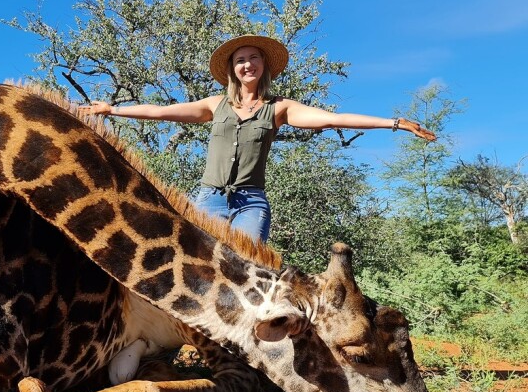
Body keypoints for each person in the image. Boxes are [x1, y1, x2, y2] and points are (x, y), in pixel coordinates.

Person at [81, 34, 437, 242]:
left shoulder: (280, 108)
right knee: (202, 264)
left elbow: (334, 119)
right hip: (209, 200)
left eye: (253, 58)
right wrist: (111, 110)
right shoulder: (214, 104)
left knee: (250, 265)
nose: (247, 64)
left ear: (263, 65)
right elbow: (160, 110)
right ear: (233, 68)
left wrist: (394, 122)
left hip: (251, 201)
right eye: (240, 60)